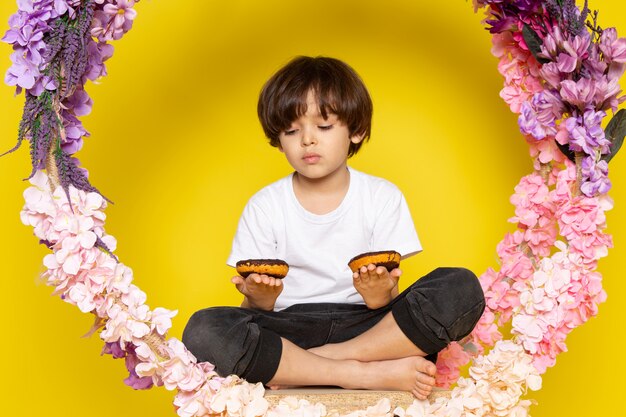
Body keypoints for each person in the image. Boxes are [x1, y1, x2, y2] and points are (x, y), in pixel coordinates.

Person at [182, 56, 485, 400]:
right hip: (289, 329)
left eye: (323, 128)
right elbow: (254, 313)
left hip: (371, 329)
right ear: (278, 139)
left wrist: (377, 294)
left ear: (355, 130)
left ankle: (313, 367)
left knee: (460, 287)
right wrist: (259, 300)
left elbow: (388, 300)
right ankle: (356, 373)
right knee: (204, 329)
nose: (308, 141)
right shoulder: (265, 205)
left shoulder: (381, 196)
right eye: (292, 131)